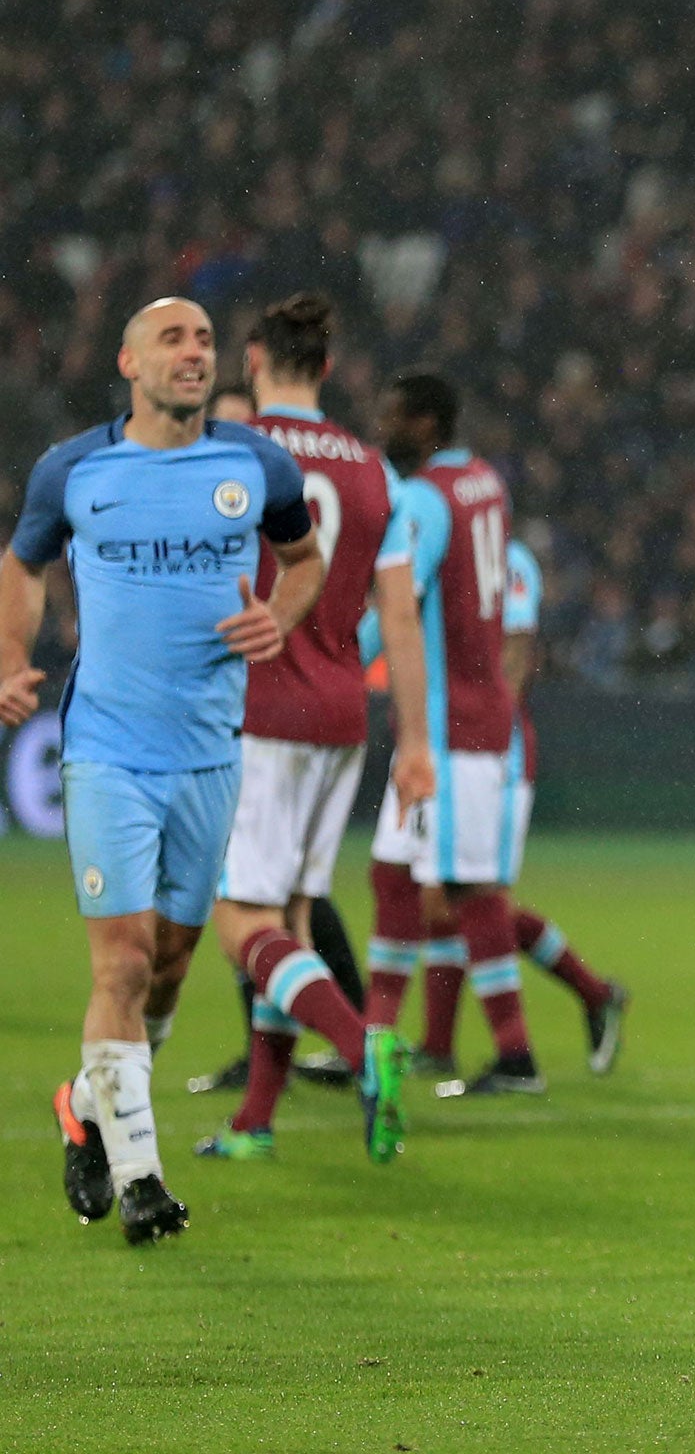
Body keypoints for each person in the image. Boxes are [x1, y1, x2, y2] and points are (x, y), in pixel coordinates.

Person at [3, 297, 324, 1241]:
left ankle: (84, 1108)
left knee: (174, 970)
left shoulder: (255, 464)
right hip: (107, 750)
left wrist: (283, 613)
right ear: (130, 364)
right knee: (126, 957)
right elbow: (22, 565)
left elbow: (304, 559)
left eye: (204, 341)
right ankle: (141, 1179)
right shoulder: (75, 469)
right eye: (173, 341)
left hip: (210, 755)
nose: (194, 354)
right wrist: (10, 659)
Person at [193, 293, 431, 1162]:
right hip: (341, 714)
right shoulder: (376, 471)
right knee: (287, 922)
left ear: (252, 362)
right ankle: (257, 1121)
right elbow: (399, 622)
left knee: (239, 920)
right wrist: (413, 743)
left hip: (255, 710)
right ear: (326, 370)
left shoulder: (230, 451)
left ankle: (364, 1040)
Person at [356, 372, 539, 1095]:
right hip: (465, 713)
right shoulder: (484, 482)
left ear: (427, 423)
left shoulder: (425, 499)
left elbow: (399, 602)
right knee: (393, 874)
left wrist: (339, 658)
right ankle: (375, 1042)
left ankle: (516, 1055)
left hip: (448, 723)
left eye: (394, 417)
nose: (382, 429)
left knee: (469, 889)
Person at [403, 535, 630, 1079]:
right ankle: (439, 1045)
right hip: (454, 744)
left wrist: (486, 733)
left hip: (491, 751)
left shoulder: (508, 559)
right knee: (442, 898)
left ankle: (534, 1039)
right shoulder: (440, 551)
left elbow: (518, 650)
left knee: (476, 898)